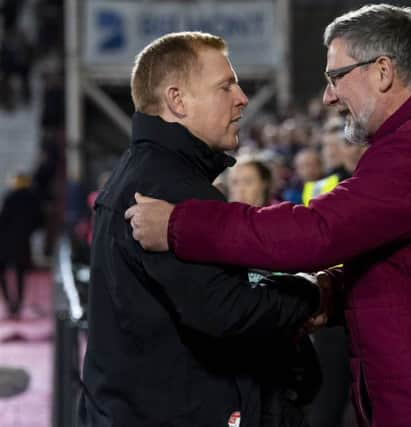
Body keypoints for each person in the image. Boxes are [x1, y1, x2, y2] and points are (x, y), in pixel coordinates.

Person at [125, 5, 411, 426]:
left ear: (382, 71)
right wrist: (333, 292)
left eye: (336, 77)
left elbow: (317, 232)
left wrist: (181, 225)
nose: (329, 96)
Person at [80, 31, 326, 427]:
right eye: (225, 85)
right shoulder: (173, 188)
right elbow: (229, 313)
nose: (242, 97)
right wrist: (312, 294)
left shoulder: (139, 171)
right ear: (177, 100)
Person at [0, 173, 42, 318]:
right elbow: (39, 220)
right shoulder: (33, 198)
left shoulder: (10, 197)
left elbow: (3, 218)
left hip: (5, 240)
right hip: (23, 240)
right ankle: (17, 303)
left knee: (3, 272)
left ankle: (9, 302)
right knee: (20, 273)